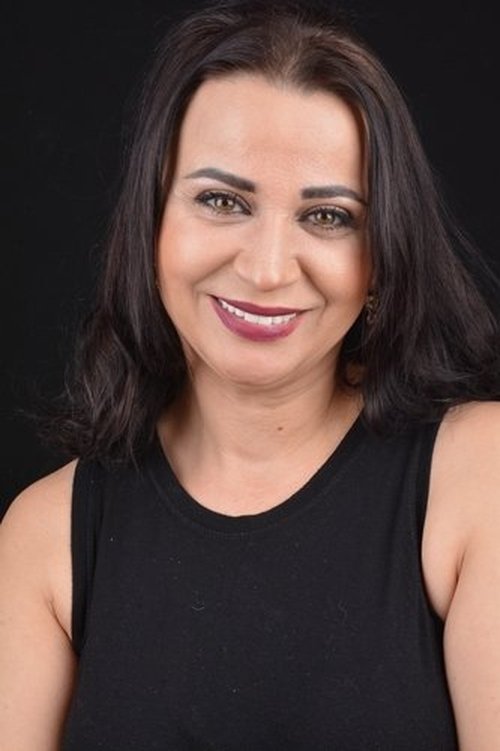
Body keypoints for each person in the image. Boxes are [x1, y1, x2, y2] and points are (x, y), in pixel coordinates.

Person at [1, 0, 500, 748]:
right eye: (222, 200)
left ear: (381, 259)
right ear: (152, 223)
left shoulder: (479, 477)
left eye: (328, 216)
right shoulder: (45, 535)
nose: (267, 270)